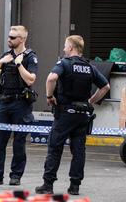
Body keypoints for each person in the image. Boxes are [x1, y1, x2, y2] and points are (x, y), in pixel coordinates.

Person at [35, 35, 110, 196]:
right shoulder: (89, 67)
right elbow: (105, 87)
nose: (63, 49)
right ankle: (75, 186)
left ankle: (48, 184)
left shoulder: (64, 64)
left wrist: (49, 96)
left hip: (65, 113)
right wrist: (90, 101)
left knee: (55, 148)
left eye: (65, 46)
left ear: (71, 48)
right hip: (82, 115)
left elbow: (51, 78)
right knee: (79, 150)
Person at [0, 25, 38, 186]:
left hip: (21, 103)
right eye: (9, 37)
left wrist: (19, 65)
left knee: (19, 141)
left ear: (22, 39)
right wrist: (0, 63)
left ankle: (16, 175)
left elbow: (31, 80)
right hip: (4, 103)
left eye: (12, 38)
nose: (9, 40)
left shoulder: (30, 57)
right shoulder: (5, 56)